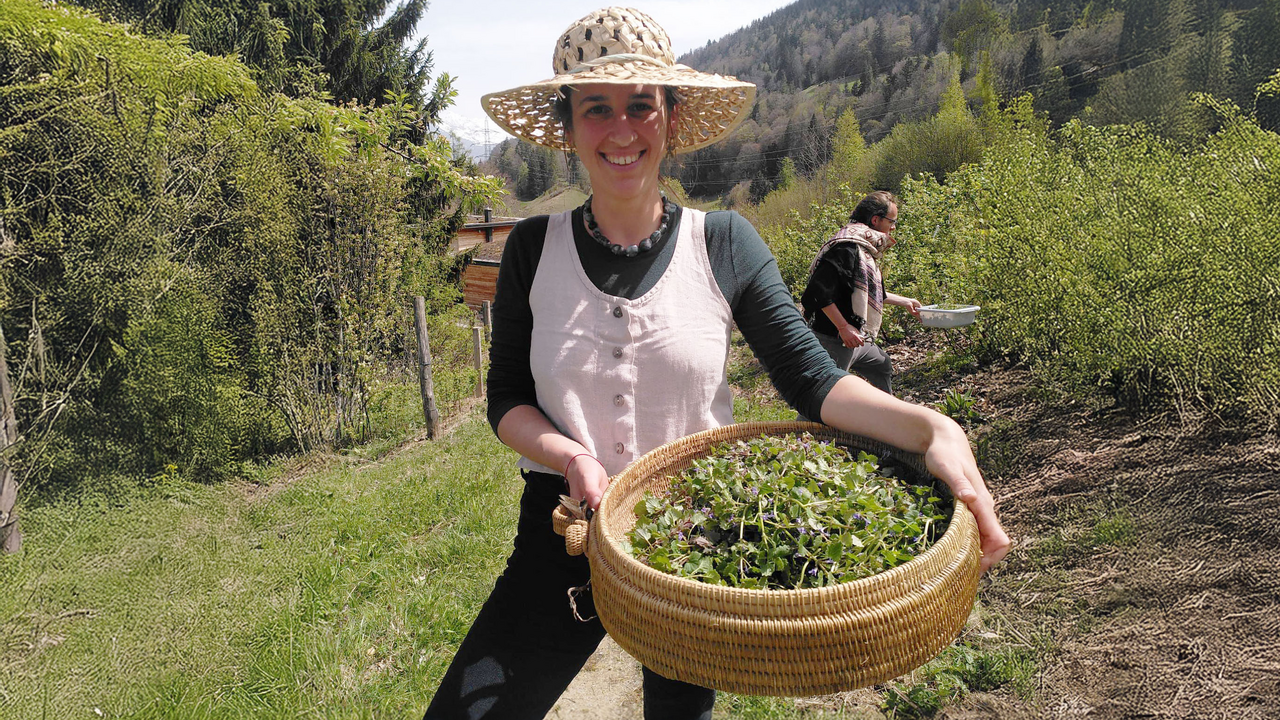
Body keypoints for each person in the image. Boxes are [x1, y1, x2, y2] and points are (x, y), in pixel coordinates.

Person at [423, 8, 1009, 720]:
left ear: (670, 119)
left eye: (642, 106)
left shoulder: (724, 242)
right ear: (570, 127)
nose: (621, 129)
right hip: (563, 534)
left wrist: (928, 429)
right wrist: (570, 456)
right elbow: (507, 399)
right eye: (596, 109)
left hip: (693, 544)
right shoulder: (530, 250)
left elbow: (811, 380)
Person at [800, 191, 921, 395]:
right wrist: (843, 327)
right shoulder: (846, 248)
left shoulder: (864, 248)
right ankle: (806, 427)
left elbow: (868, 294)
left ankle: (882, 417)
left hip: (858, 339)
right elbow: (816, 293)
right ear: (876, 220)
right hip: (834, 339)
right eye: (892, 221)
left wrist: (906, 301)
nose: (894, 227)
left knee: (881, 364)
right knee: (824, 395)